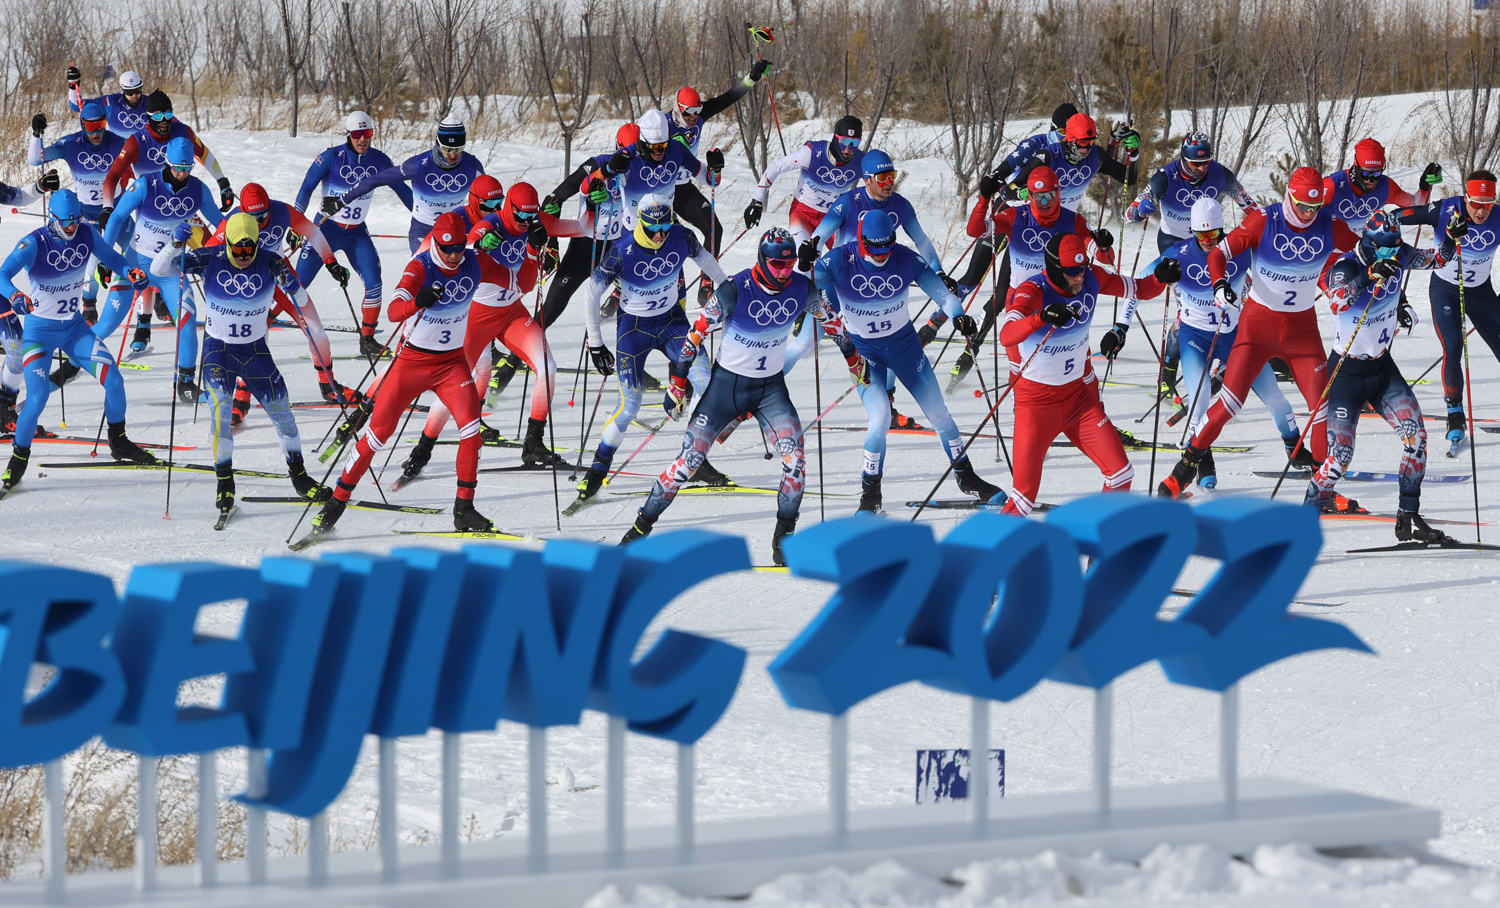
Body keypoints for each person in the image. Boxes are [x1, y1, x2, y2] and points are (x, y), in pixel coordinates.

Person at [621, 228, 867, 565]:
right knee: (688, 463)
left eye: (789, 264)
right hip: (726, 389)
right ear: (762, 260)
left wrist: (854, 359)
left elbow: (834, 323)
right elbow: (695, 334)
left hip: (770, 390)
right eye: (777, 264)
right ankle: (639, 529)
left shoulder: (802, 288)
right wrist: (678, 380)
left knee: (795, 463)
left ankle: (784, 539)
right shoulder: (734, 289)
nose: (784, 271)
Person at [308, 212, 522, 539]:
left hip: (451, 365)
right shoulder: (420, 267)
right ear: (436, 242)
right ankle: (338, 500)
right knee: (378, 434)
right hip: (411, 363)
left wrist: (535, 250)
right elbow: (394, 310)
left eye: (458, 247)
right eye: (447, 248)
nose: (453, 255)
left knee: (471, 430)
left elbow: (521, 282)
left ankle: (464, 509)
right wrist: (417, 301)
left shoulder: (474, 261)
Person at [1158, 166, 1360, 501]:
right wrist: (1220, 283)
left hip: (1302, 332)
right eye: (1302, 206)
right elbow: (1220, 254)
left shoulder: (1329, 223)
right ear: (1288, 198)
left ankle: (1324, 490)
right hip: (1256, 327)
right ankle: (1183, 470)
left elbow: (1367, 248)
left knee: (1322, 407)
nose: (1308, 214)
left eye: (1314, 207)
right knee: (1228, 404)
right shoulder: (1264, 221)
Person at [812, 209, 1003, 511]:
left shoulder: (904, 257)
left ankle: (966, 476)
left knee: (939, 414)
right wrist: (804, 264)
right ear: (861, 241)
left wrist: (958, 316)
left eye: (887, 245)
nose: (881, 253)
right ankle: (870, 494)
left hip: (905, 347)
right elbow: (804, 284)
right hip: (864, 353)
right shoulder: (839, 259)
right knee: (880, 419)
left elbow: (945, 295)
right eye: (873, 247)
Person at [151, 213, 331, 515]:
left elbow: (300, 298)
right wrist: (173, 244)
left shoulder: (271, 260)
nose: (245, 257)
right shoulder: (212, 256)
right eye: (239, 251)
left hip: (255, 352)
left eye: (250, 251)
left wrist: (293, 284)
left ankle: (299, 477)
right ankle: (225, 482)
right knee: (221, 411)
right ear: (230, 244)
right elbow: (160, 270)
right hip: (218, 351)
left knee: (283, 414)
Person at [1305, 209, 1464, 542]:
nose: (1393, 254)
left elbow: (1437, 260)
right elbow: (1336, 302)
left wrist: (1451, 236)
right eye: (1386, 249)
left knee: (1416, 439)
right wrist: (1368, 276)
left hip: (1381, 368)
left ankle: (1408, 515)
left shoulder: (1396, 252)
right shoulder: (1348, 265)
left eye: (1396, 247)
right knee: (1339, 459)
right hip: (1346, 372)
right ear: (1368, 242)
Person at [998, 233, 1177, 515]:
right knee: (1024, 498)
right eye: (1071, 272)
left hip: (1078, 400)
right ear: (1055, 268)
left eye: (1081, 269)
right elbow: (1007, 335)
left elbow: (1140, 289)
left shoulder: (1092, 276)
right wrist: (1041, 317)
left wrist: (1159, 278)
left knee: (1121, 474)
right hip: (1036, 404)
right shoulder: (1032, 290)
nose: (1079, 277)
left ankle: (1097, 549)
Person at [571, 194, 727, 509]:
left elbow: (709, 263)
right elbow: (591, 294)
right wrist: (596, 342)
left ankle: (691, 456)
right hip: (634, 329)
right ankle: (597, 469)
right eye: (653, 227)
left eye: (664, 226)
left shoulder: (681, 236)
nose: (660, 234)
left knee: (706, 384)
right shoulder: (621, 250)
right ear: (642, 222)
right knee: (630, 406)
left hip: (672, 324)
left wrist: (727, 294)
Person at [787, 148, 961, 428]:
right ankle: (759, 392)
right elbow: (821, 234)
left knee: (890, 343)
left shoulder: (901, 205)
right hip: (842, 280)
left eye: (891, 175)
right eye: (881, 177)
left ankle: (888, 409)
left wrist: (938, 272)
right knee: (805, 344)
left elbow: (922, 241)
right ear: (866, 179)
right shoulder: (849, 202)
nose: (888, 182)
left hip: (879, 280)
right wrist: (810, 251)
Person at [400, 182, 562, 482]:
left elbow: (527, 283)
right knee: (458, 384)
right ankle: (422, 449)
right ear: (508, 208)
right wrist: (477, 247)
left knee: (548, 367)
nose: (526, 223)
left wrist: (536, 247)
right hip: (477, 315)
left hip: (512, 311)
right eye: (521, 216)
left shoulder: (532, 226)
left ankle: (533, 443)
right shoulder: (491, 224)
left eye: (531, 216)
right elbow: (459, 255)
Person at [0, 189, 155, 494]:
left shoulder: (85, 233)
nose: (71, 228)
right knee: (38, 395)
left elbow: (112, 258)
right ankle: (17, 461)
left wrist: (130, 270)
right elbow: (2, 274)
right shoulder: (34, 243)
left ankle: (118, 441)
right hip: (39, 334)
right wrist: (15, 295)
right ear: (52, 219)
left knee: (114, 380)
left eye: (75, 221)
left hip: (74, 329)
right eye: (65, 223)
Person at [1150, 198, 1303, 488]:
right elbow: (1141, 284)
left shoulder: (1239, 250)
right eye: (1201, 235)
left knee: (1274, 397)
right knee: (1201, 398)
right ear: (1192, 232)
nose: (1208, 241)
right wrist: (1159, 276)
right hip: (1195, 337)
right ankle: (1201, 459)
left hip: (1234, 335)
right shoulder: (1178, 254)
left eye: (1214, 234)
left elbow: (1278, 264)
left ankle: (1295, 449)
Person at [939, 164, 1113, 390]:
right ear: (1029, 195)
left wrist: (1103, 246)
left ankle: (1091, 418)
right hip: (1022, 300)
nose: (1045, 202)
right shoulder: (1015, 216)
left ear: (1058, 192)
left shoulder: (1074, 221)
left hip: (1060, 300)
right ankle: (1021, 412)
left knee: (1077, 365)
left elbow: (1104, 258)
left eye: (1050, 195)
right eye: (1038, 196)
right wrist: (984, 198)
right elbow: (975, 231)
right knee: (1019, 367)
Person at [1124, 132, 1262, 395]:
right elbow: (1129, 215)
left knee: (1246, 294)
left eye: (1206, 162)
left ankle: (1239, 358)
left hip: (1212, 243)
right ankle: (1168, 374)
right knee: (1188, 310)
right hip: (1176, 247)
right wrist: (1140, 210)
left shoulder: (1221, 174)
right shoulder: (1164, 178)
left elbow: (1250, 206)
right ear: (1182, 159)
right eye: (1195, 163)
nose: (1201, 169)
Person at [209, 182, 356, 420]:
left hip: (282, 275)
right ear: (244, 212)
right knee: (250, 340)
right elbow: (209, 252)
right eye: (253, 218)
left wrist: (331, 262)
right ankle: (241, 398)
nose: (260, 222)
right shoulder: (232, 221)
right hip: (249, 285)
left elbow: (313, 232)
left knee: (317, 332)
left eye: (264, 215)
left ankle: (328, 385)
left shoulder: (282, 211)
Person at [98, 136, 223, 399]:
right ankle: (71, 353)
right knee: (107, 325)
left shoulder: (198, 190)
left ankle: (186, 383)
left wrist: (208, 255)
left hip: (170, 268)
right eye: (179, 167)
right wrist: (107, 259)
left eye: (188, 168)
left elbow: (220, 226)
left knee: (188, 322)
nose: (183, 173)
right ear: (167, 162)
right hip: (134, 263)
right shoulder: (146, 184)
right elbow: (117, 217)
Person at [295, 110, 413, 358]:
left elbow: (402, 190)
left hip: (356, 233)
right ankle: (262, 320)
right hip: (324, 230)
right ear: (349, 135)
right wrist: (296, 221)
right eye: (358, 134)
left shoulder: (380, 161)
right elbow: (306, 188)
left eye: (367, 133)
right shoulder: (331, 157)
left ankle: (367, 340)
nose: (363, 139)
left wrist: (426, 218)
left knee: (374, 282)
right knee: (297, 283)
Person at [1398, 171, 1500, 450]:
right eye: (1476, 203)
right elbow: (1399, 216)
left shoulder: (1499, 217)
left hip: (1480, 292)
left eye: (1488, 204)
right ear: (1466, 198)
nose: (1481, 211)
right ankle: (1455, 413)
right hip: (1446, 289)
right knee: (1453, 347)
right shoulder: (1445, 209)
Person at [669, 59, 773, 300]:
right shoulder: (663, 126)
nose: (694, 116)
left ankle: (706, 282)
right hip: (660, 191)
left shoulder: (700, 114)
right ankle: (621, 292)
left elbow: (728, 98)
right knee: (668, 241)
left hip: (683, 188)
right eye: (689, 112)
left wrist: (752, 78)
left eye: (697, 111)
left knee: (714, 228)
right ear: (678, 109)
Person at [28, 104, 130, 327]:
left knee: (135, 252)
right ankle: (89, 303)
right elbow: (37, 160)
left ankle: (150, 304)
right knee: (90, 265)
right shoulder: (71, 144)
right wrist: (37, 135)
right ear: (82, 125)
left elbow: (142, 165)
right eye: (91, 127)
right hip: (86, 212)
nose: (96, 133)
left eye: (100, 125)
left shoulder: (117, 142)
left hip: (116, 210)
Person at [325, 114, 483, 253]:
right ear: (438, 143)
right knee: (427, 279)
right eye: (447, 148)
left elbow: (489, 200)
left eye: (458, 148)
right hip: (424, 231)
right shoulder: (419, 165)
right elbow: (376, 179)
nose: (453, 154)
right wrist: (343, 199)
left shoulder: (472, 165)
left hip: (457, 229)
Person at [538, 122, 637, 328]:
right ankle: (519, 353)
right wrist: (552, 245)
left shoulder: (644, 169)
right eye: (626, 153)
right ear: (618, 148)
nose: (631, 161)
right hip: (586, 245)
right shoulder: (598, 164)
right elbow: (554, 199)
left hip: (619, 245)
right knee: (553, 306)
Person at [101, 90, 232, 215]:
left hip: (181, 202)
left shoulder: (183, 131)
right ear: (149, 116)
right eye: (158, 116)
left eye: (168, 115)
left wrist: (222, 183)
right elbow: (113, 175)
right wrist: (107, 207)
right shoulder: (136, 142)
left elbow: (204, 154)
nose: (164, 120)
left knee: (206, 237)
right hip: (152, 208)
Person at [744, 115, 865, 246]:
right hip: (802, 213)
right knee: (803, 258)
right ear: (836, 137)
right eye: (845, 141)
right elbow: (775, 167)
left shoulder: (862, 161)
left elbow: (881, 184)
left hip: (834, 216)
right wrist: (757, 201)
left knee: (848, 257)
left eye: (855, 142)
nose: (849, 148)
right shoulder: (811, 153)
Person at [1323, 138, 1439, 234]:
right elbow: (1305, 214)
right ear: (1356, 166)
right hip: (1327, 251)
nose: (1371, 179)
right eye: (1366, 173)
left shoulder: (1386, 186)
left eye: (1377, 173)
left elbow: (1416, 205)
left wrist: (1425, 186)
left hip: (1361, 249)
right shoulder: (1332, 185)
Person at [66, 66, 149, 139]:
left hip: (144, 152)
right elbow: (76, 106)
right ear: (122, 90)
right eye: (129, 92)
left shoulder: (150, 102)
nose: (134, 95)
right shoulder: (110, 102)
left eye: (138, 90)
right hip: (119, 152)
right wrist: (73, 86)